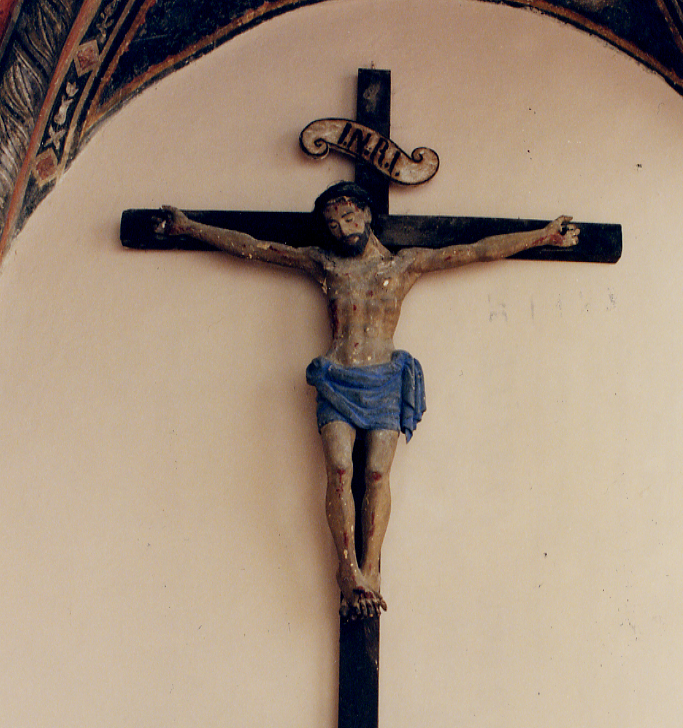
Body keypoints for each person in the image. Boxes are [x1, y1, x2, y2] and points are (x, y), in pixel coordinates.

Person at [160, 184, 579, 616]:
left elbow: (476, 251)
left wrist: (542, 236)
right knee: (340, 469)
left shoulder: (404, 265)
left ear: (366, 214)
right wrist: (189, 227)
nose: (343, 230)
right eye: (333, 224)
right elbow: (255, 247)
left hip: (384, 379)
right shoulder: (325, 264)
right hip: (337, 377)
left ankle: (371, 569)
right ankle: (347, 569)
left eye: (348, 218)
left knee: (377, 473)